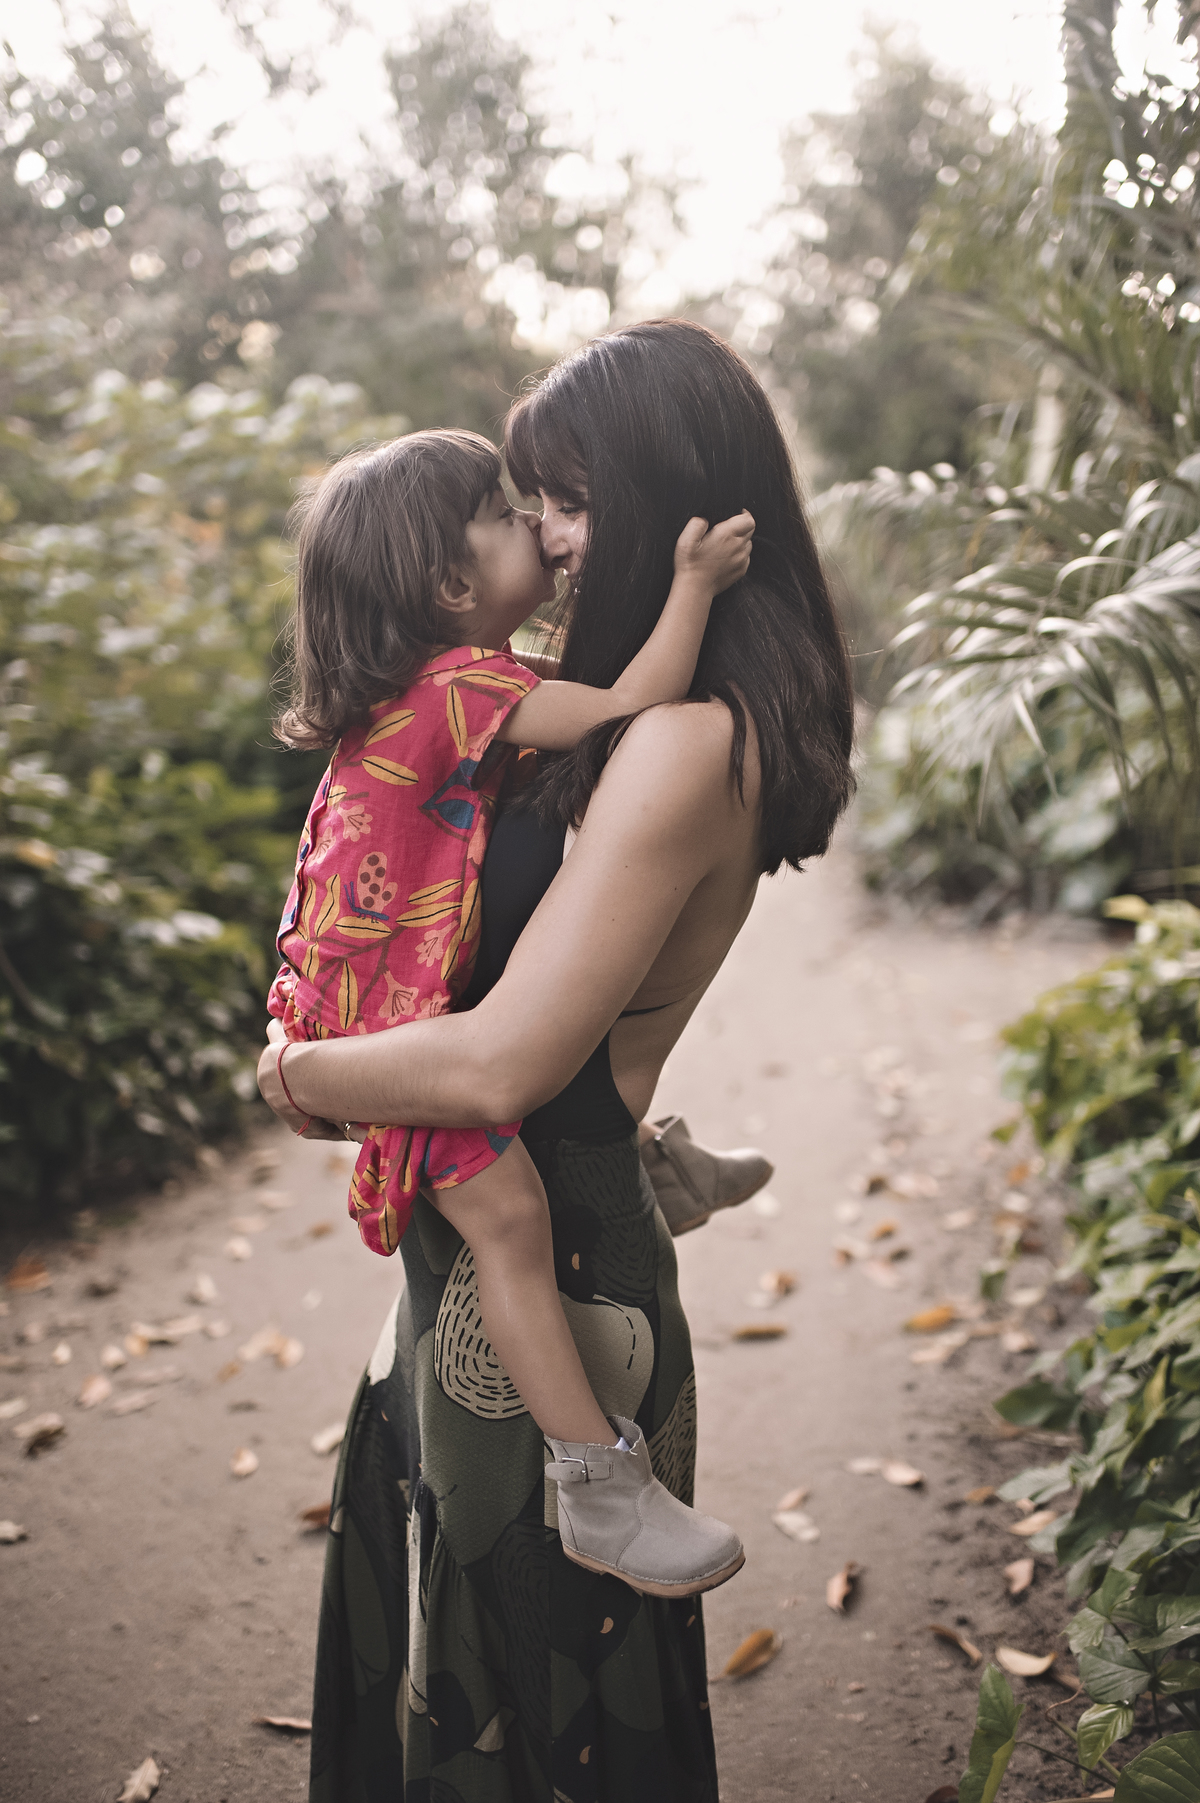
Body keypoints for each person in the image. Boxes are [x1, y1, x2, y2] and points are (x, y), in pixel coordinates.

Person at [259, 319, 855, 1803]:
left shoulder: (676, 737)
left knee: (531, 1702)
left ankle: (607, 1456)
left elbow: (498, 1068)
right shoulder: (523, 699)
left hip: (559, 1263)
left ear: (658, 497)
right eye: (530, 502)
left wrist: (297, 1076)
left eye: (572, 498)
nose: (551, 532)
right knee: (480, 1656)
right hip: (491, 1257)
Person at [270, 426, 753, 1597]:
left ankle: (652, 1163)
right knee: (513, 1229)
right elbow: (635, 703)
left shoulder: (427, 692)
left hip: (355, 1006)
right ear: (451, 583)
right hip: (389, 1039)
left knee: (532, 1092)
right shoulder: (460, 690)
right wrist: (693, 582)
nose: (535, 522)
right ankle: (599, 1486)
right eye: (504, 512)